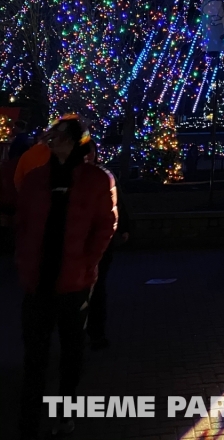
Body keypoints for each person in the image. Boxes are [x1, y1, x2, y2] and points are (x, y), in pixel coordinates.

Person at [15, 115, 116, 439]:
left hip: (74, 282)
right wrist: (24, 262)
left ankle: (64, 412)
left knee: (72, 352)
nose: (51, 138)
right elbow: (23, 223)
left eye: (58, 134)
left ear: (74, 141)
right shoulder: (35, 179)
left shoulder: (97, 180)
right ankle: (30, 419)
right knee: (35, 355)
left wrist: (87, 263)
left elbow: (105, 226)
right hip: (38, 280)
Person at [83, 140, 131, 349]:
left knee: (98, 285)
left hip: (100, 239)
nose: (88, 155)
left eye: (91, 151)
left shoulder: (104, 175)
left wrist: (124, 226)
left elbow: (118, 203)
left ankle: (95, 332)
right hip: (83, 239)